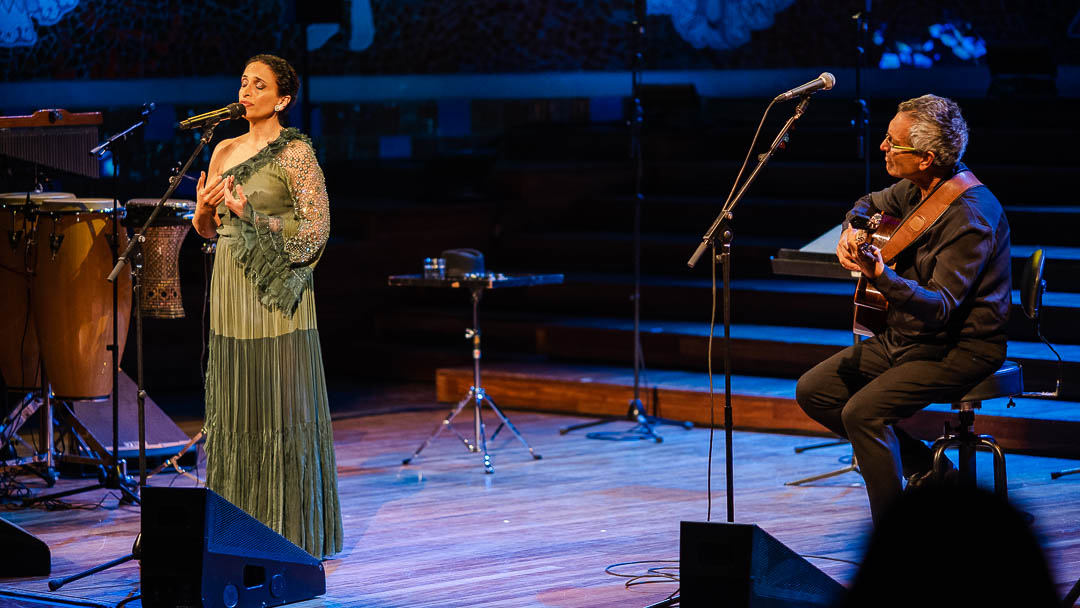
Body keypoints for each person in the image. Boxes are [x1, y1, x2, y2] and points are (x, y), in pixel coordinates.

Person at [795, 94, 1012, 525]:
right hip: (908, 335)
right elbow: (868, 203)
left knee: (863, 412)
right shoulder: (915, 187)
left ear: (926, 157)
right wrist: (851, 231)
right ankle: (931, 474)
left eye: (893, 143)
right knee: (815, 391)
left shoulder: (970, 215)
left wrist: (881, 277)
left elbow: (940, 308)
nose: (883, 148)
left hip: (961, 347)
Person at [192, 53, 343, 559]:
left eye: (260, 84)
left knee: (280, 402)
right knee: (237, 403)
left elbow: (317, 230)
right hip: (231, 283)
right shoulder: (223, 148)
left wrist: (253, 214)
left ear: (282, 99)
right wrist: (203, 211)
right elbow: (208, 232)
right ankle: (238, 527)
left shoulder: (294, 153)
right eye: (243, 81)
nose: (248, 90)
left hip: (278, 290)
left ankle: (293, 532)